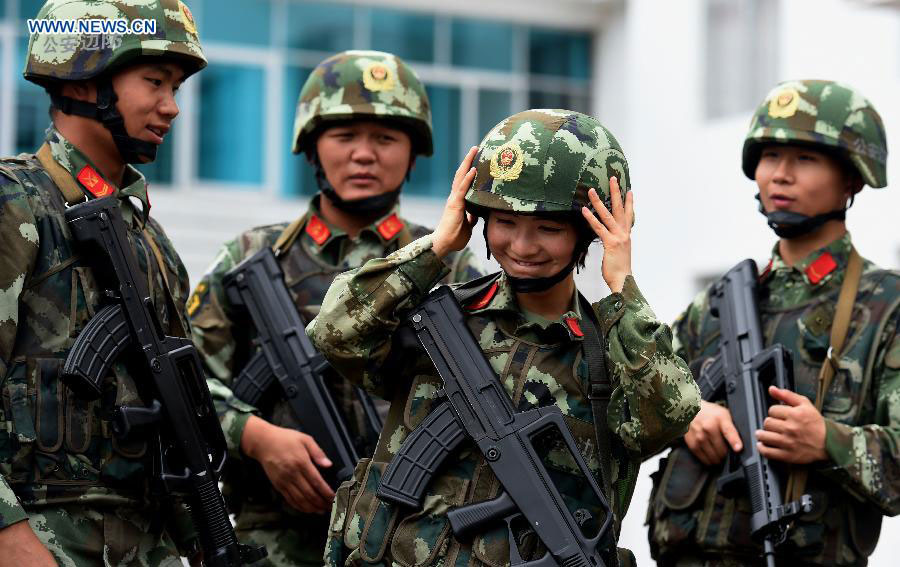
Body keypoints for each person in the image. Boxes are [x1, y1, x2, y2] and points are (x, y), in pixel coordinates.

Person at [308, 109, 701, 567]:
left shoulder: (608, 351)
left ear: (588, 231)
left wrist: (622, 288)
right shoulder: (438, 320)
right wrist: (437, 246)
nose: (522, 246)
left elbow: (664, 420)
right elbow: (334, 331)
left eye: (549, 229)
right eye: (505, 223)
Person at [187, 50, 483, 567]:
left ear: (413, 154)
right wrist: (255, 436)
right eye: (345, 137)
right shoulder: (252, 258)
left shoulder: (448, 265)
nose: (363, 155)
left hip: (407, 538)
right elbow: (183, 379)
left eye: (385, 139)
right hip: (274, 537)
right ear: (312, 148)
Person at [647, 79, 899, 566]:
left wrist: (828, 441)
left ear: (852, 178)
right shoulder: (722, 300)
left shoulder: (886, 306)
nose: (780, 176)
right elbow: (634, 396)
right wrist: (688, 413)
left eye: (805, 159)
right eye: (770, 158)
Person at [0, 0, 208, 565]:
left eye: (176, 88)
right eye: (154, 81)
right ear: (85, 80)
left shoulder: (152, 240)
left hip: (146, 539)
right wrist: (9, 536)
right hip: (41, 537)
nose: (170, 107)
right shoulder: (16, 202)